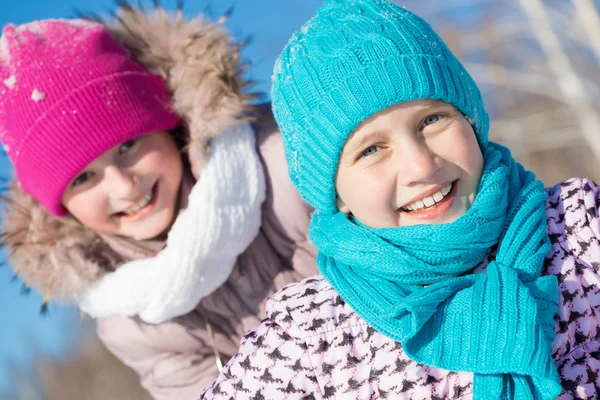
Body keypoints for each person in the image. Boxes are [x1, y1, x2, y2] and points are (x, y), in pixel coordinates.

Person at [200, 0, 600, 399]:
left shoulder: (580, 226)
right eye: (371, 149)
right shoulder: (312, 334)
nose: (421, 167)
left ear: (471, 119)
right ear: (335, 194)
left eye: (431, 120)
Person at [0, 4, 317, 399]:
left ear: (168, 125)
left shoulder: (286, 165)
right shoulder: (130, 322)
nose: (123, 186)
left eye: (128, 145)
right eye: (84, 177)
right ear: (60, 206)